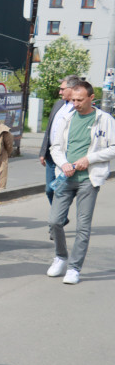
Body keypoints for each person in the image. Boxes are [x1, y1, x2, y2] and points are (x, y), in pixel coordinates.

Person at [46, 80, 115, 285]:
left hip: (88, 179)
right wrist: (64, 163)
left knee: (83, 226)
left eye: (80, 100)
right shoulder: (66, 118)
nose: (75, 103)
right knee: (55, 221)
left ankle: (74, 268)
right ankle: (61, 256)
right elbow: (55, 147)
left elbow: (113, 147)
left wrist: (89, 159)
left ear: (91, 98)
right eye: (73, 99)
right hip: (66, 177)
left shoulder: (105, 119)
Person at [40, 76, 77, 205]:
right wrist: (42, 152)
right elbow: (49, 128)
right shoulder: (59, 104)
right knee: (49, 189)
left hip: (65, 156)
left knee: (62, 189)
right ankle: (59, 216)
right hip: (51, 155)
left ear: (72, 89)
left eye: (62, 89)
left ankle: (58, 216)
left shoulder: (78, 108)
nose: (60, 92)